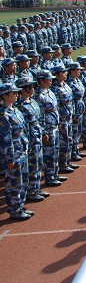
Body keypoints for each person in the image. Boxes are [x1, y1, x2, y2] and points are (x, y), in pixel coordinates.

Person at [0, 82, 32, 220]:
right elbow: (6, 138)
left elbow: (23, 129)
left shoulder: (15, 110)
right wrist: (9, 158)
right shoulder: (4, 114)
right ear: (5, 96)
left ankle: (20, 206)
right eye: (14, 93)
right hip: (14, 153)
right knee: (14, 183)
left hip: (21, 149)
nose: (17, 94)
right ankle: (14, 210)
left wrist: (26, 146)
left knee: (23, 180)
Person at [15, 76, 50, 202]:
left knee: (38, 164)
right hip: (30, 139)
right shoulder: (20, 106)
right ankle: (31, 191)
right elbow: (24, 127)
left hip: (37, 136)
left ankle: (36, 188)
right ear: (22, 90)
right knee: (32, 166)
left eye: (33, 86)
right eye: (29, 87)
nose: (33, 89)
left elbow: (39, 119)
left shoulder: (33, 102)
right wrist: (28, 144)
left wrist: (44, 133)